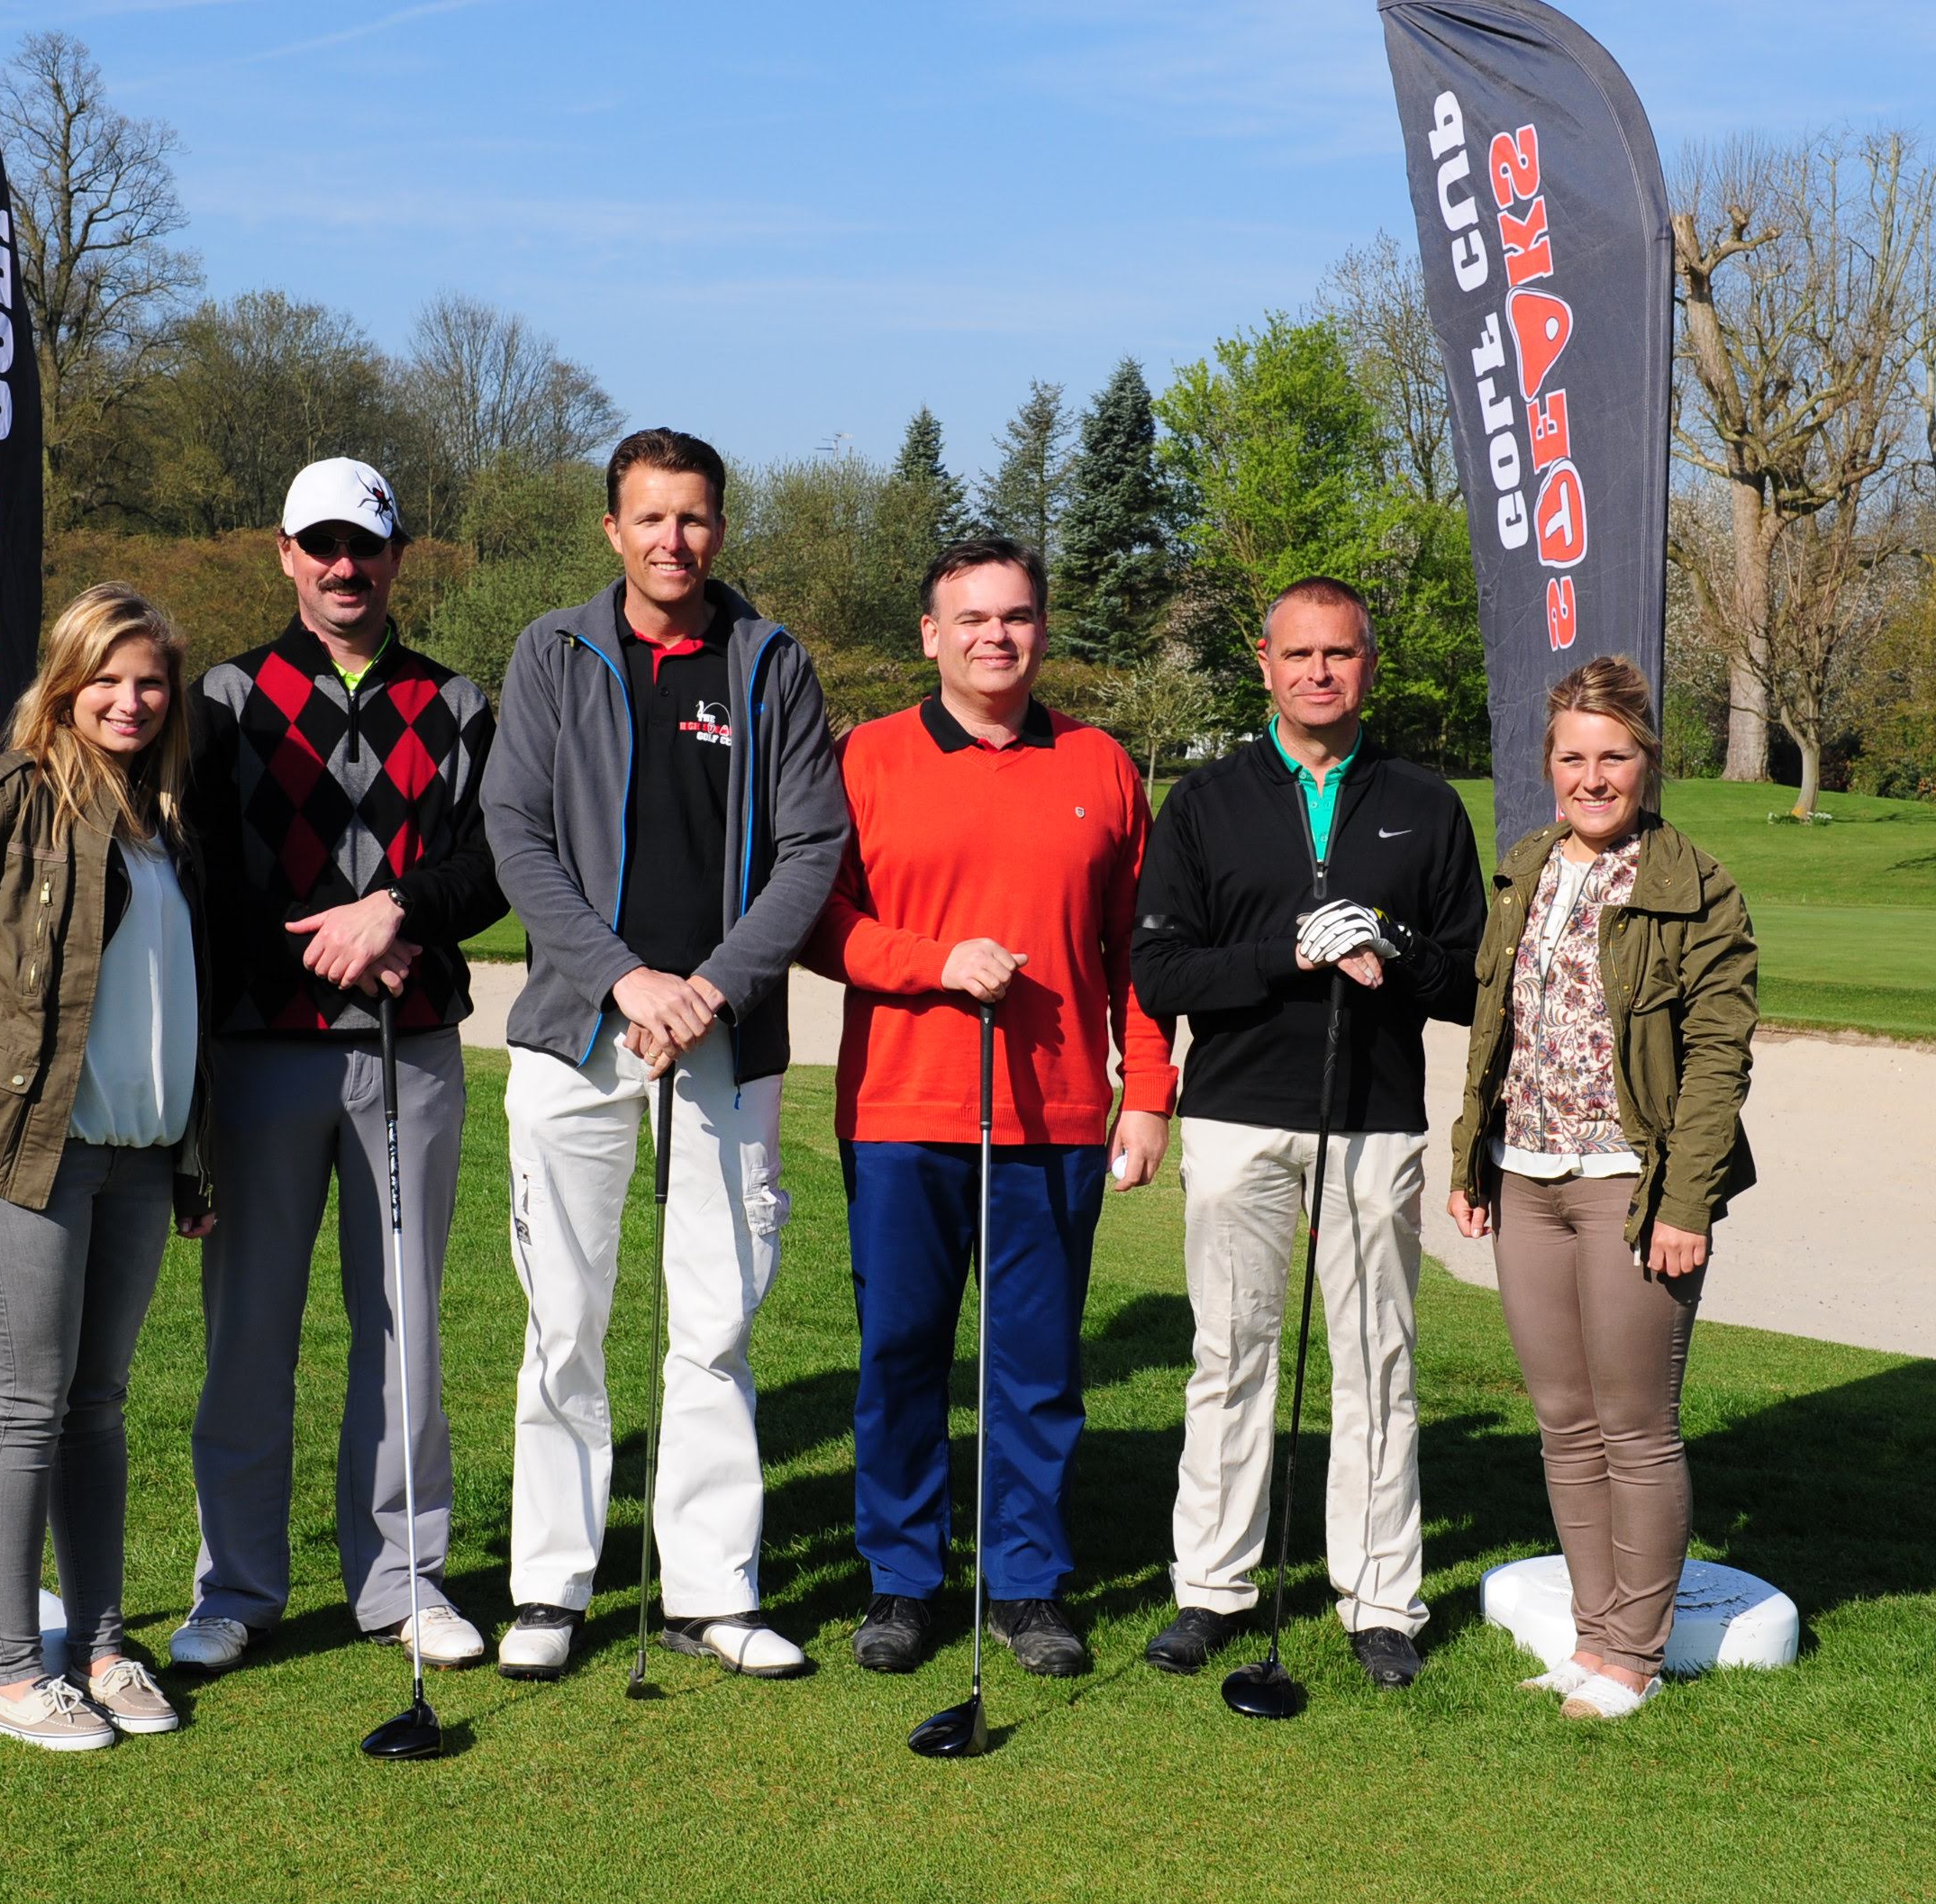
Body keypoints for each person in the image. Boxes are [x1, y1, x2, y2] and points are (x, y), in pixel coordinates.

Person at [485, 428, 849, 1680]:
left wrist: (708, 987)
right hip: (576, 1034)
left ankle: (712, 1591)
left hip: (724, 1038)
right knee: (563, 1325)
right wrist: (623, 976)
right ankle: (551, 1587)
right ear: (612, 529)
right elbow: (517, 834)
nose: (672, 540)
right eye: (649, 518)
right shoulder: (551, 650)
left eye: (693, 518)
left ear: (720, 529)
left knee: (715, 1320)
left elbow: (812, 847)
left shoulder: (771, 662)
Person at [802, 537, 1176, 1680]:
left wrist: (1148, 1094)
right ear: (930, 635)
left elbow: (1140, 954)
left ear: (1041, 630)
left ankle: (1024, 1580)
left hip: (1055, 1118)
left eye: (1015, 616)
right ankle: (903, 1578)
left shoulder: (1101, 764)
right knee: (900, 1353)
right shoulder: (864, 757)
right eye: (970, 618)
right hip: (900, 1107)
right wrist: (930, 962)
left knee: (1036, 1366)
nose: (994, 636)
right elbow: (818, 922)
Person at [0, 585, 215, 1750]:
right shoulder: (9, 797)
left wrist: (192, 1164)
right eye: (106, 677)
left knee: (98, 1407)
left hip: (139, 1157)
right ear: (64, 684)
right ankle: (9, 1675)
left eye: (149, 681)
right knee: (27, 1404)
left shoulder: (165, 819)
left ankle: (101, 1648)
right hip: (27, 1155)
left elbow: (172, 1003)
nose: (130, 699)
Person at [171, 458, 508, 1673]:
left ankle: (404, 1580)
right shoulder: (222, 698)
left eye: (364, 545)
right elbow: (202, 873)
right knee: (249, 1330)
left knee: (402, 1328)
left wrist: (397, 915)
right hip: (261, 1051)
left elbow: (494, 863)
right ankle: (236, 1588)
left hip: (407, 1050)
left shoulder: (457, 701)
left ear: (397, 555)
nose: (343, 567)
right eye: (321, 545)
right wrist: (326, 946)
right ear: (286, 555)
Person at [1131, 576, 1487, 1691]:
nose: (1318, 672)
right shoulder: (1206, 799)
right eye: (1299, 653)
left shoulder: (1423, 801)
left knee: (1376, 1357)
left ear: (1368, 664)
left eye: (1339, 653)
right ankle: (1211, 1587)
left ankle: (1378, 1600)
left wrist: (1391, 939)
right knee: (1229, 1352)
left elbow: (1468, 980)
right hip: (1235, 1113)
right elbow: (1160, 969)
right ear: (1264, 661)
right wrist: (1286, 953)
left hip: (1372, 1117)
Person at [1444, 655, 1759, 1721]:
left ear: (1646, 761)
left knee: (1635, 1425)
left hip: (1631, 1181)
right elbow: (1496, 1028)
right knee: (1563, 1421)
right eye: (1573, 756)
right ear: (1548, 764)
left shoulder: (1695, 884)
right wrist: (1470, 1156)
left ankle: (1634, 1654)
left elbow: (1717, 1057)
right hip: (1524, 1176)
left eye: (1613, 756)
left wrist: (1684, 1200)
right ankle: (1590, 1637)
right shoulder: (1526, 865)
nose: (1592, 777)